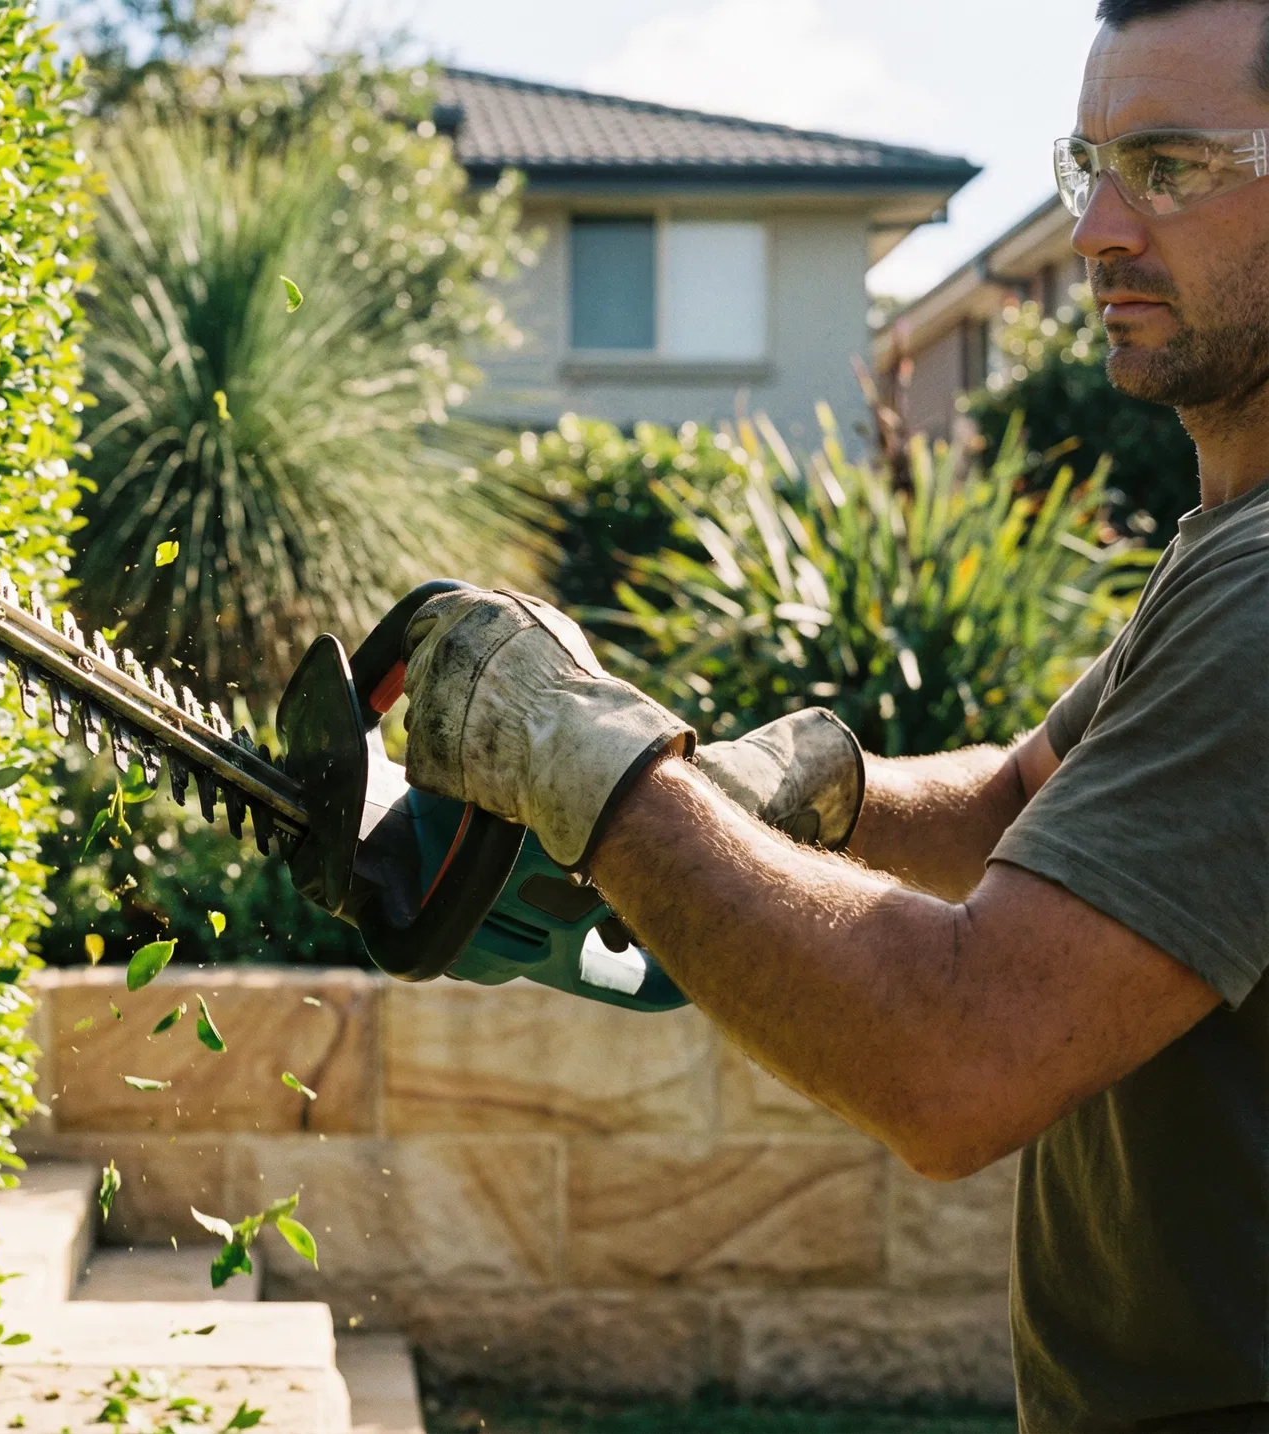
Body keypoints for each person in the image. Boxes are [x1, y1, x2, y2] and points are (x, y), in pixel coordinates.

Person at [397, 2, 1269, 1429]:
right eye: (1091, 167)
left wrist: (592, 764)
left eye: (1169, 169)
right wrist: (795, 789)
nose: (1100, 230)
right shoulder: (1226, 553)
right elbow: (1020, 797)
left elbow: (960, 1058)